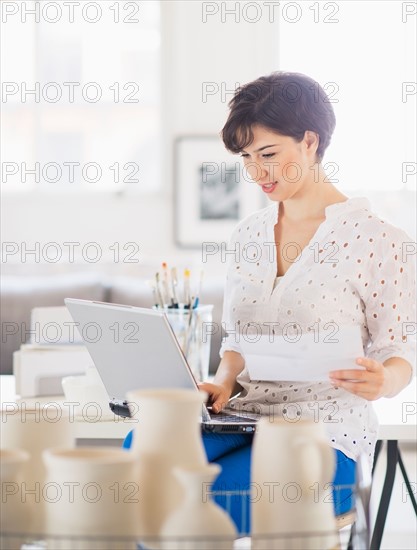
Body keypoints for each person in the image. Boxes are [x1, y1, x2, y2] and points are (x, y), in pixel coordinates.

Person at [124, 71, 416, 534]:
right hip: (246, 415)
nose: (257, 173)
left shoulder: (378, 240)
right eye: (247, 158)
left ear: (309, 142)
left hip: (325, 433)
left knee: (198, 503)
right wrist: (222, 381)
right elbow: (239, 338)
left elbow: (399, 352)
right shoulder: (248, 235)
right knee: (143, 449)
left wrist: (383, 381)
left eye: (268, 154)